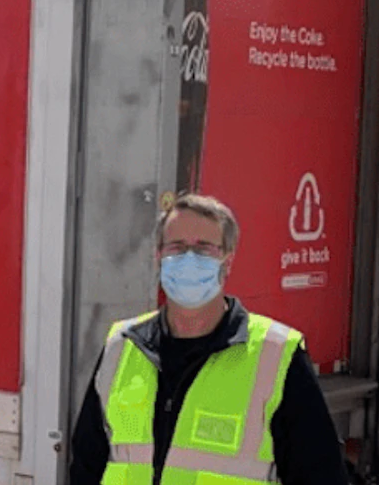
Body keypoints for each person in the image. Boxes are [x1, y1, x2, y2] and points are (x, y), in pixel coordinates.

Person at [68, 193, 348, 484]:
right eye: (177, 247)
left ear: (228, 261)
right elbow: (86, 467)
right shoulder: (121, 346)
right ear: (158, 257)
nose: (189, 258)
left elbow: (321, 475)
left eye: (204, 249)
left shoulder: (276, 355)